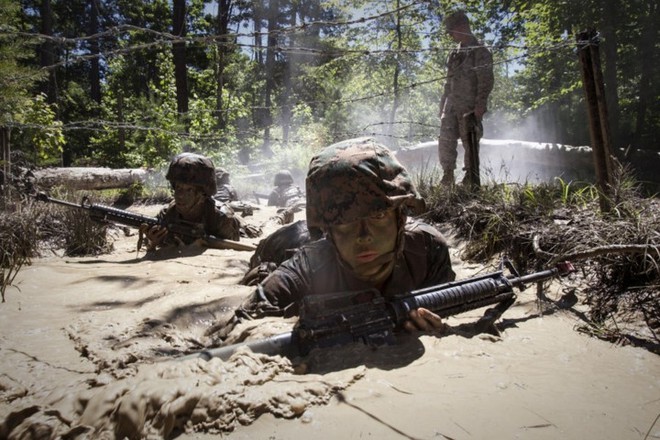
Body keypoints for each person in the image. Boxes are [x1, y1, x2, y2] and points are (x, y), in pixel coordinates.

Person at [230, 137, 456, 333]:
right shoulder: (307, 267)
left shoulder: (428, 250)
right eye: (346, 222)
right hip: (284, 243)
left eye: (378, 216)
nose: (363, 236)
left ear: (401, 218)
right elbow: (241, 325)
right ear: (329, 230)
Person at [438, 9, 494, 187]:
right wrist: (443, 102)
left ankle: (471, 177)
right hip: (452, 105)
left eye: (452, 31)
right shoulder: (454, 53)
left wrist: (480, 104)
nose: (451, 36)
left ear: (462, 27)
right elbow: (448, 81)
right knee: (446, 139)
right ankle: (447, 175)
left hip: (469, 106)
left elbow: (485, 81)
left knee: (469, 141)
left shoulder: (480, 51)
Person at [141, 152, 242, 250]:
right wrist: (152, 244)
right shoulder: (167, 214)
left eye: (189, 190)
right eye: (178, 187)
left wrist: (192, 249)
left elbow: (231, 253)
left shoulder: (221, 218)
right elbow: (153, 250)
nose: (180, 195)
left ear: (203, 195)